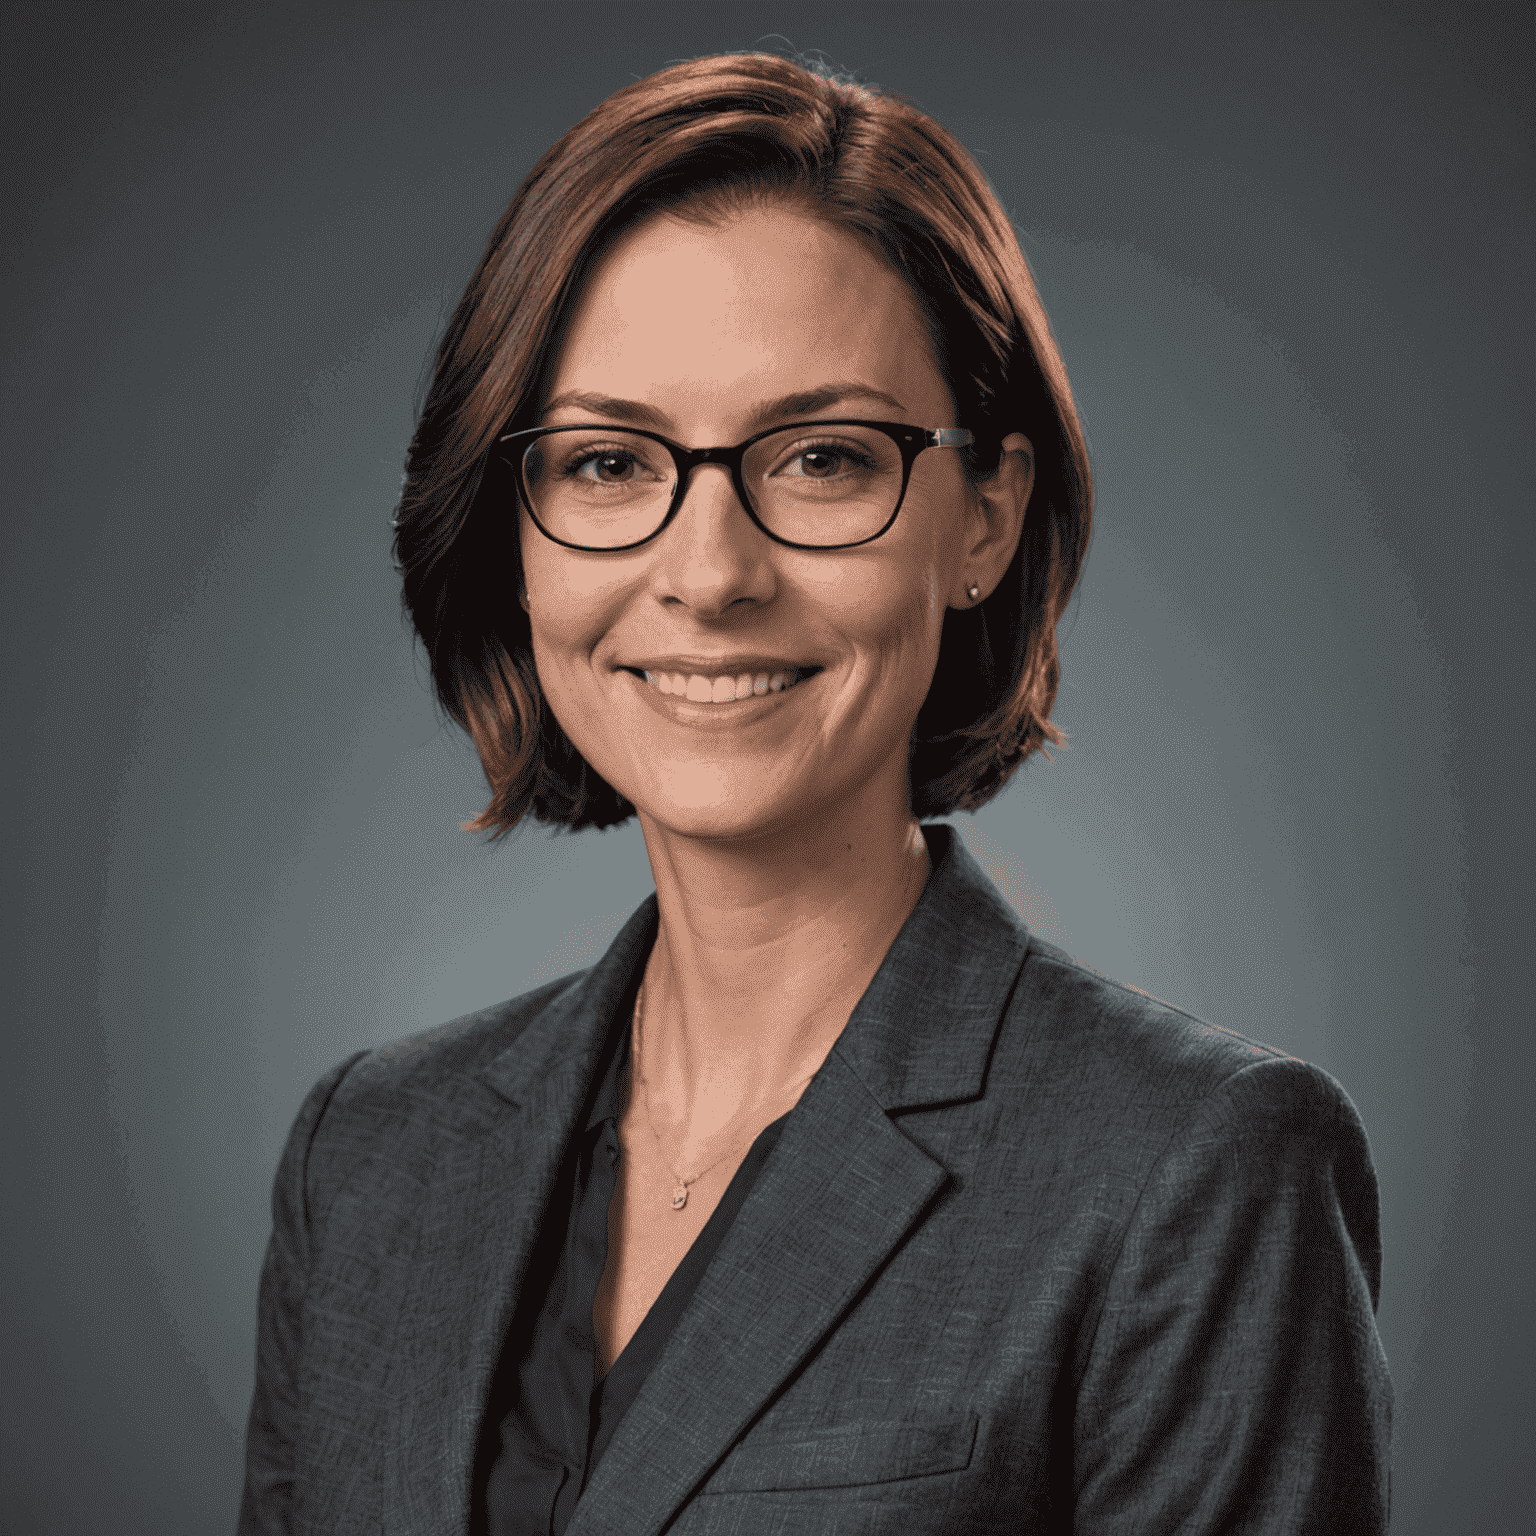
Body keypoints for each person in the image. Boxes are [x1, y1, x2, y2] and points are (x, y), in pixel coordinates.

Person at [237, 51, 1391, 1536]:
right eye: (605, 461)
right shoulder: (370, 1156)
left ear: (984, 517)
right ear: (512, 533)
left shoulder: (1196, 1172)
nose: (709, 572)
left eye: (825, 458)